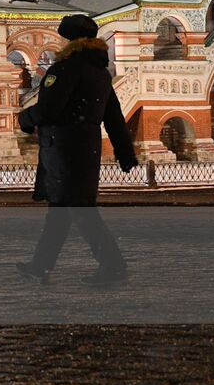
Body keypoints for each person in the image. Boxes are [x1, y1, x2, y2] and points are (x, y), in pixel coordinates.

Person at [17, 14, 139, 285]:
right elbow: (114, 116)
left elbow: (50, 108)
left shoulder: (65, 69)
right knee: (61, 210)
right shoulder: (99, 72)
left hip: (63, 148)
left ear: (67, 39)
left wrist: (25, 119)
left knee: (80, 210)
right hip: (86, 147)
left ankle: (113, 266)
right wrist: (125, 153)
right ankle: (41, 266)